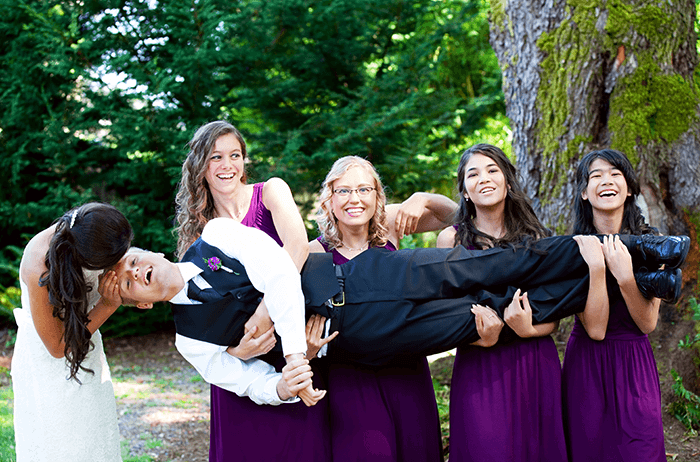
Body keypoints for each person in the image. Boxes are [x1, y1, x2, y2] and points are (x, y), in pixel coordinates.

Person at [173, 120, 329, 461]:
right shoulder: (198, 231)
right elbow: (201, 313)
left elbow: (297, 247)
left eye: (235, 155)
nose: (227, 165)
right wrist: (235, 353)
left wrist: (263, 312)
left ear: (244, 161)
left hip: (287, 345)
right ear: (200, 165)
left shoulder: (270, 192)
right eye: (216, 157)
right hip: (242, 357)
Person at [307, 156, 457, 461]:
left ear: (377, 197)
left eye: (364, 189)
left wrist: (423, 198)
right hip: (350, 378)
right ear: (330, 199)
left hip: (407, 368)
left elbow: (456, 218)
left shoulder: (389, 227)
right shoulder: (313, 252)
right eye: (344, 191)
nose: (355, 199)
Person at [436, 143, 568, 461]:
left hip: (535, 361)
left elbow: (552, 315)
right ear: (465, 192)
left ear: (507, 182)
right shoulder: (450, 241)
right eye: (473, 173)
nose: (484, 178)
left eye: (493, 170)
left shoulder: (538, 240)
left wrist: (528, 330)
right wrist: (481, 337)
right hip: (479, 365)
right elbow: (445, 314)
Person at [562, 149, 668, 461]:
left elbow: (647, 323)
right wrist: (596, 269)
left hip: (634, 364)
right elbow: (595, 329)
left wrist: (625, 277)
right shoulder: (572, 250)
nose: (606, 181)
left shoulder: (654, 245)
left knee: (641, 448)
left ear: (630, 187)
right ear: (584, 192)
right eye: (595, 175)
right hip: (587, 366)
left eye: (615, 173)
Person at [11, 202, 134, 462]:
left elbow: (114, 279)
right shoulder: (39, 267)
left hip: (87, 349)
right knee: (66, 446)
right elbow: (57, 347)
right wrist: (108, 306)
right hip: (51, 369)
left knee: (97, 439)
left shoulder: (88, 228)